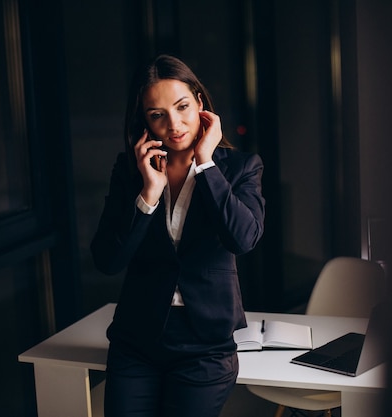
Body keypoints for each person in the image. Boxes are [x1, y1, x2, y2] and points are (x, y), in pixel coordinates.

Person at [90, 54, 265, 417]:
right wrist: (148, 194)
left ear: (200, 103)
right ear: (145, 122)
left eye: (182, 106)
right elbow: (107, 260)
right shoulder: (129, 171)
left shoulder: (241, 168)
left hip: (205, 348)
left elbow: (243, 238)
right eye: (157, 114)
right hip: (136, 342)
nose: (174, 124)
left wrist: (206, 164)